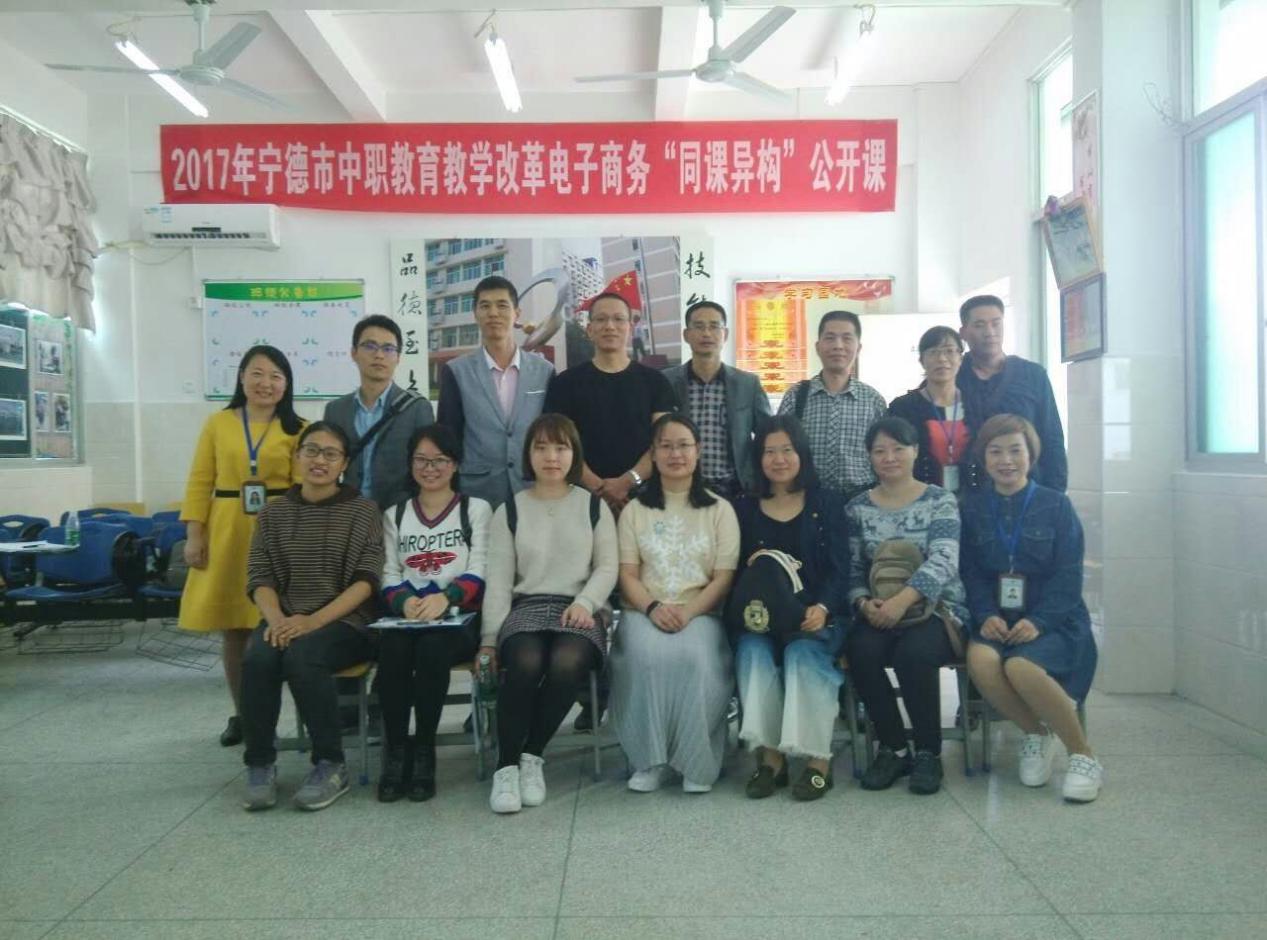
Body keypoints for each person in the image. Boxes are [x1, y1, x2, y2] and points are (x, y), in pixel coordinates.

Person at [239, 422, 385, 812]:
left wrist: (312, 622)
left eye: (331, 454)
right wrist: (276, 620)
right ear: (297, 456)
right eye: (312, 451)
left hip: (347, 623)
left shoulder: (363, 511)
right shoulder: (273, 513)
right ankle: (259, 763)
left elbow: (366, 581)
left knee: (304, 656)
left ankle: (331, 764)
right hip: (284, 620)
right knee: (257, 658)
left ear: (345, 464)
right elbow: (260, 577)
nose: (320, 460)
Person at [481, 413, 618, 814]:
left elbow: (607, 567)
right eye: (541, 447)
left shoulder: (593, 506)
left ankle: (532, 756)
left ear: (574, 455)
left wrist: (585, 603)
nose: (551, 457)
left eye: (561, 447)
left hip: (580, 607)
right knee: (524, 661)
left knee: (566, 661)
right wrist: (489, 640)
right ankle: (506, 767)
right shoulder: (510, 509)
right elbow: (499, 582)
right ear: (528, 454)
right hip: (527, 606)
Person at [962, 414, 1101, 801]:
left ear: (1031, 455)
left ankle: (1083, 755)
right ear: (983, 458)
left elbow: (1068, 576)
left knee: (1020, 666)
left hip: (1054, 620)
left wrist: (1038, 621)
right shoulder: (972, 508)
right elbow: (969, 571)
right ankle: (1037, 735)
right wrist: (985, 613)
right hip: (996, 618)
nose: (1006, 460)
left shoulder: (1056, 505)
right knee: (981, 661)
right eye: (995, 451)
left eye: (1015, 450)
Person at [179, 345, 305, 748]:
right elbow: (200, 480)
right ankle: (244, 715)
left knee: (277, 627)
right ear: (241, 377)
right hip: (227, 531)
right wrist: (194, 533)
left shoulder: (299, 428)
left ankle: (281, 715)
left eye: (276, 376)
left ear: (287, 384)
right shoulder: (218, 423)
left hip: (279, 530)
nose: (266, 383)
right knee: (235, 630)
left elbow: (306, 487)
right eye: (257, 373)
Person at [610, 414, 740, 794]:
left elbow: (724, 577)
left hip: (701, 611)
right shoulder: (635, 510)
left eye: (684, 445)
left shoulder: (720, 509)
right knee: (645, 657)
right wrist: (653, 608)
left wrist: (688, 611)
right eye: (665, 446)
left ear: (698, 451)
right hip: (644, 609)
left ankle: (694, 760)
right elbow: (627, 574)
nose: (675, 454)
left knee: (695, 659)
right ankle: (649, 760)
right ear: (652, 454)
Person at [845, 416, 968, 796]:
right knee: (860, 650)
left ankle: (929, 752)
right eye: (879, 450)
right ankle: (894, 748)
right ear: (869, 457)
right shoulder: (857, 508)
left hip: (936, 607)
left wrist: (903, 600)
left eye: (898, 448)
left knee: (913, 654)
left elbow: (945, 559)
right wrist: (863, 603)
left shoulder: (940, 501)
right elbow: (852, 569)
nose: (889, 457)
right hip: (879, 607)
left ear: (915, 451)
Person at [733, 416, 849, 800]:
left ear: (801, 453)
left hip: (815, 616)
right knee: (751, 651)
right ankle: (771, 759)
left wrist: (824, 607)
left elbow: (841, 568)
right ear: (758, 458)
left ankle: (818, 761)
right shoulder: (744, 508)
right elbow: (733, 572)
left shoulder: (827, 503)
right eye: (769, 451)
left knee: (802, 652)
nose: (779, 459)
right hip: (761, 620)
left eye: (787, 450)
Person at [377, 424, 492, 803]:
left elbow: (480, 566)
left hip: (458, 619)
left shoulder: (475, 509)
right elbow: (389, 572)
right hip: (407, 618)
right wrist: (403, 602)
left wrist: (447, 598)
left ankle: (424, 750)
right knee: (392, 652)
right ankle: (397, 751)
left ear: (455, 464)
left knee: (431, 651)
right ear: (410, 464)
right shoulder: (395, 514)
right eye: (421, 460)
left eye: (440, 460)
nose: (430, 469)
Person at [544, 291, 676, 515]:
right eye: (601, 319)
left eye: (618, 319)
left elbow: (665, 441)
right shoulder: (565, 383)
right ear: (589, 329)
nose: (610, 326)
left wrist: (628, 481)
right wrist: (596, 485)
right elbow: (558, 441)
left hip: (645, 500)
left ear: (630, 328)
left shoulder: (656, 382)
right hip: (581, 500)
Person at [437, 276, 555, 509]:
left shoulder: (544, 371)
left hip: (533, 489)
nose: (493, 313)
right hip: (477, 494)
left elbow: (553, 434)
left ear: (517, 313)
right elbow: (449, 437)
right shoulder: (456, 371)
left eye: (502, 305)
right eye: (485, 306)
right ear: (475, 314)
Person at [324, 314, 435, 511]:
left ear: (398, 357)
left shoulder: (417, 408)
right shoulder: (336, 410)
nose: (379, 355)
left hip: (400, 513)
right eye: (370, 346)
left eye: (388, 348)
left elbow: (428, 467)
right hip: (348, 512)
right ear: (354, 353)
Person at [663, 300, 772, 501]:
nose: (706, 333)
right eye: (699, 326)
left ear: (725, 334)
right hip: (680, 490)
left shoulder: (748, 384)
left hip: (736, 492)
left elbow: (767, 436)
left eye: (714, 326)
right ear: (686, 335)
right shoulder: (666, 381)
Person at [957, 295, 1067, 491]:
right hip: (969, 494)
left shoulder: (1032, 375)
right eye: (980, 325)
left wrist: (1054, 493)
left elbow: (1052, 438)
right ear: (963, 332)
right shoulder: (953, 377)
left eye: (996, 323)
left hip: (1027, 490)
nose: (990, 332)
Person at [778, 310, 886, 500]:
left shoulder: (873, 400)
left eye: (847, 338)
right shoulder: (796, 396)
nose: (838, 346)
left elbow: (883, 454)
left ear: (858, 348)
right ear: (818, 347)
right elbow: (780, 447)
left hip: (860, 500)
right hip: (807, 500)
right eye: (830, 338)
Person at [887, 326, 972, 493]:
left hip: (970, 498)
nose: (942, 358)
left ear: (960, 358)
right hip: (919, 497)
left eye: (949, 351)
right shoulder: (903, 408)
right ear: (921, 360)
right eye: (933, 352)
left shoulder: (975, 404)